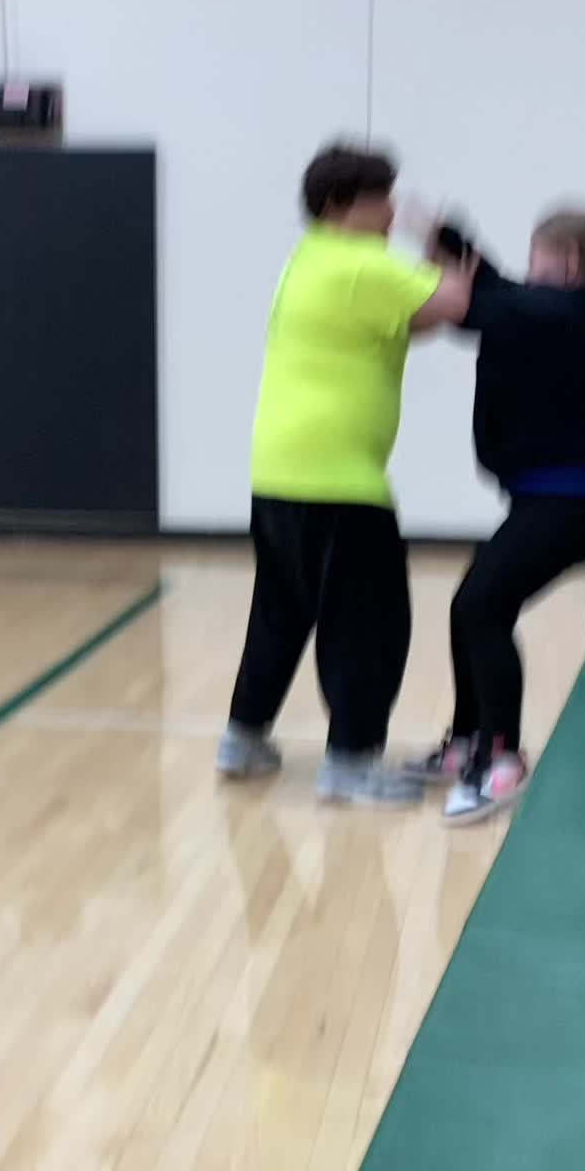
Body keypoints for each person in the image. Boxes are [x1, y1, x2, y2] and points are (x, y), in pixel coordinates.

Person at [217, 142, 477, 807]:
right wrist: (447, 242)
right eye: (378, 199)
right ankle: (353, 763)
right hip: (339, 480)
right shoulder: (362, 263)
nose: (391, 210)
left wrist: (428, 270)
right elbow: (458, 302)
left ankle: (243, 740)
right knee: (370, 619)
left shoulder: (309, 261)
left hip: (279, 471)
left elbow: (410, 321)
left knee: (282, 609)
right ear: (340, 206)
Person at [407, 209, 585, 826]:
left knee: (482, 606)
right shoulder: (584, 311)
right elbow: (505, 293)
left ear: (566, 263)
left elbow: (494, 304)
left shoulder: (567, 314)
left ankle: (501, 756)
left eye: (539, 259)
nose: (529, 271)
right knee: (472, 602)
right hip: (565, 495)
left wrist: (454, 262)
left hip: (579, 499)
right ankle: (467, 742)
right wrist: (460, 245)